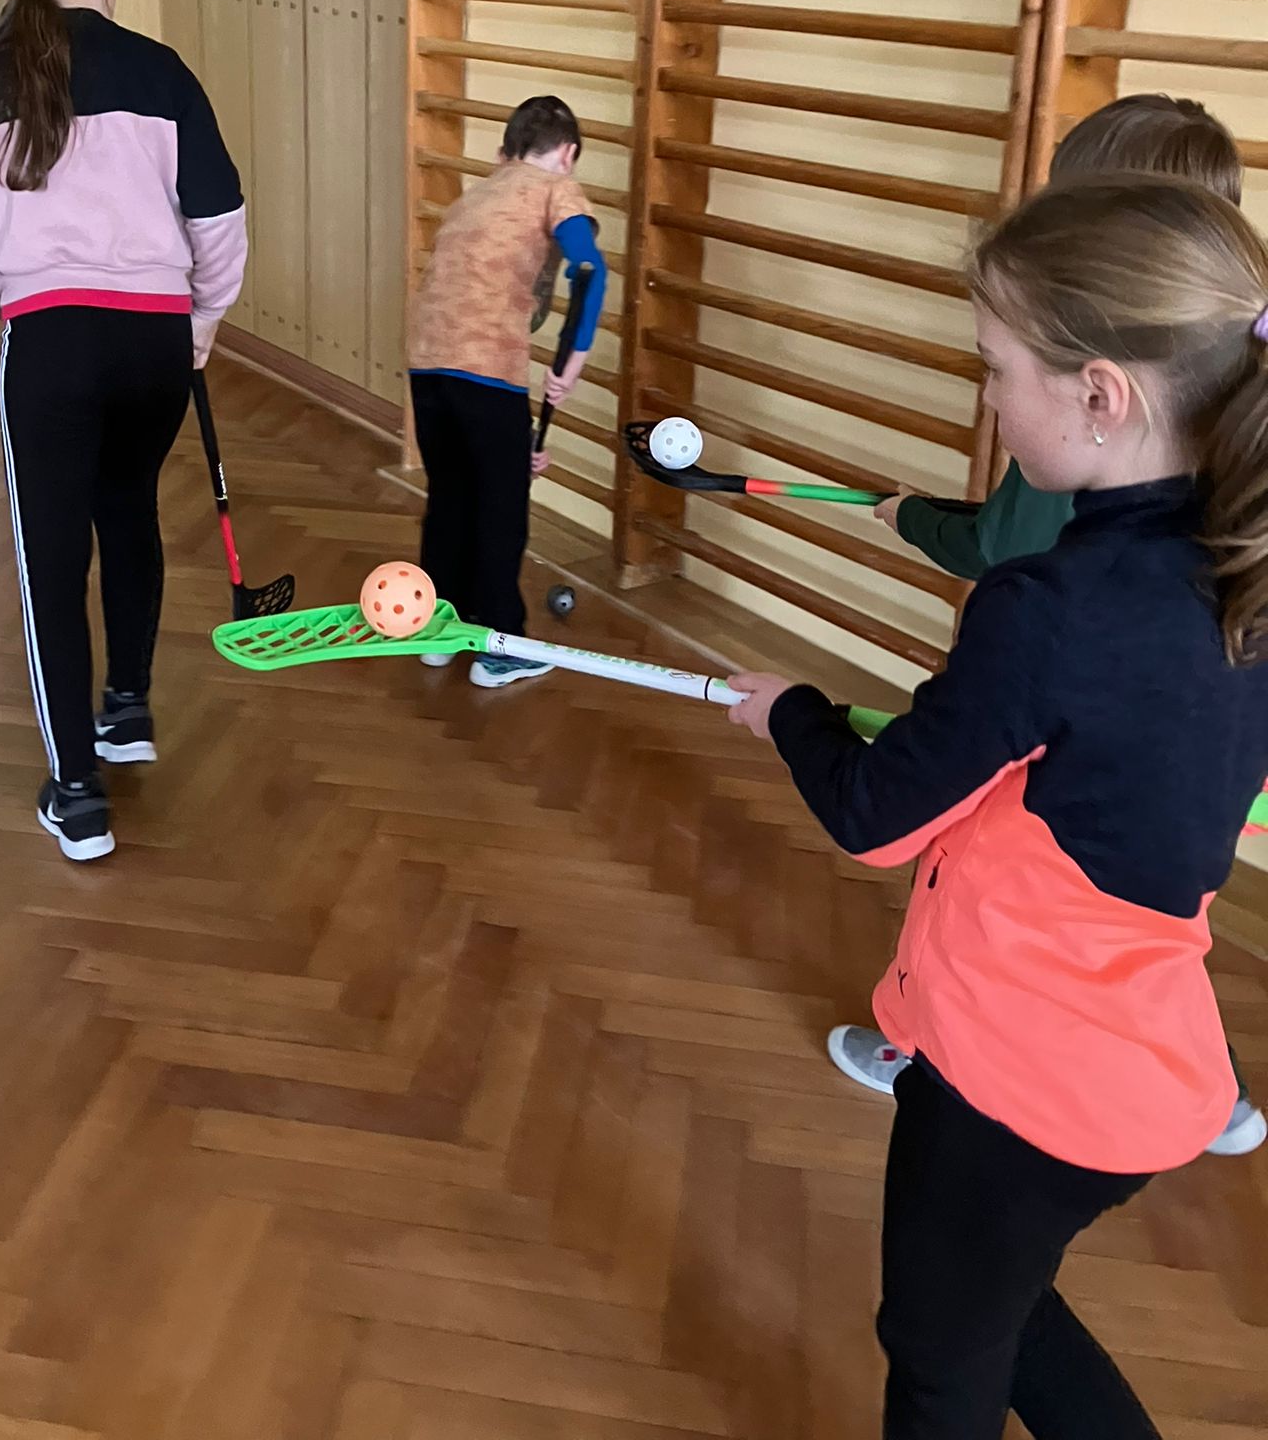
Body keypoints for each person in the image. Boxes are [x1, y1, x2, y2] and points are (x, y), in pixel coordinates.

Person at [727, 177, 1268, 1439]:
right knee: (996, 1312)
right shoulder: (1241, 560)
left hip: (1016, 1077)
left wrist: (794, 711)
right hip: (1147, 1062)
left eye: (997, 366)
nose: (988, 397)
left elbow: (874, 815)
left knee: (938, 1357)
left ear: (1100, 394)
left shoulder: (1049, 608)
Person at [840, 92, 1265, 1158]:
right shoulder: (1232, 419)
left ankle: (916, 1037)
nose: (994, 391)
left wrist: (916, 522)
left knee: (998, 875)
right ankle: (1205, 1084)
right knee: (1150, 901)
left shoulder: (1060, 562)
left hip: (1020, 1047)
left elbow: (999, 551)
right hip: (1165, 793)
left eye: (996, 366)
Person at [0, 0, 246, 862]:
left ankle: (78, 794)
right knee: (128, 509)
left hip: (51, 345)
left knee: (51, 559)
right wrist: (201, 323)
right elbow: (219, 220)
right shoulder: (162, 72)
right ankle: (126, 710)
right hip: (153, 341)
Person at [407, 94, 605, 688]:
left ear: (506, 151)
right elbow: (589, 269)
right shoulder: (556, 189)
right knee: (500, 511)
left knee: (451, 498)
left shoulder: (477, 194)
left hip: (427, 366)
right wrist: (574, 362)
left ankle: (439, 631)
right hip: (487, 370)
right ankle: (502, 648)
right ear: (567, 153)